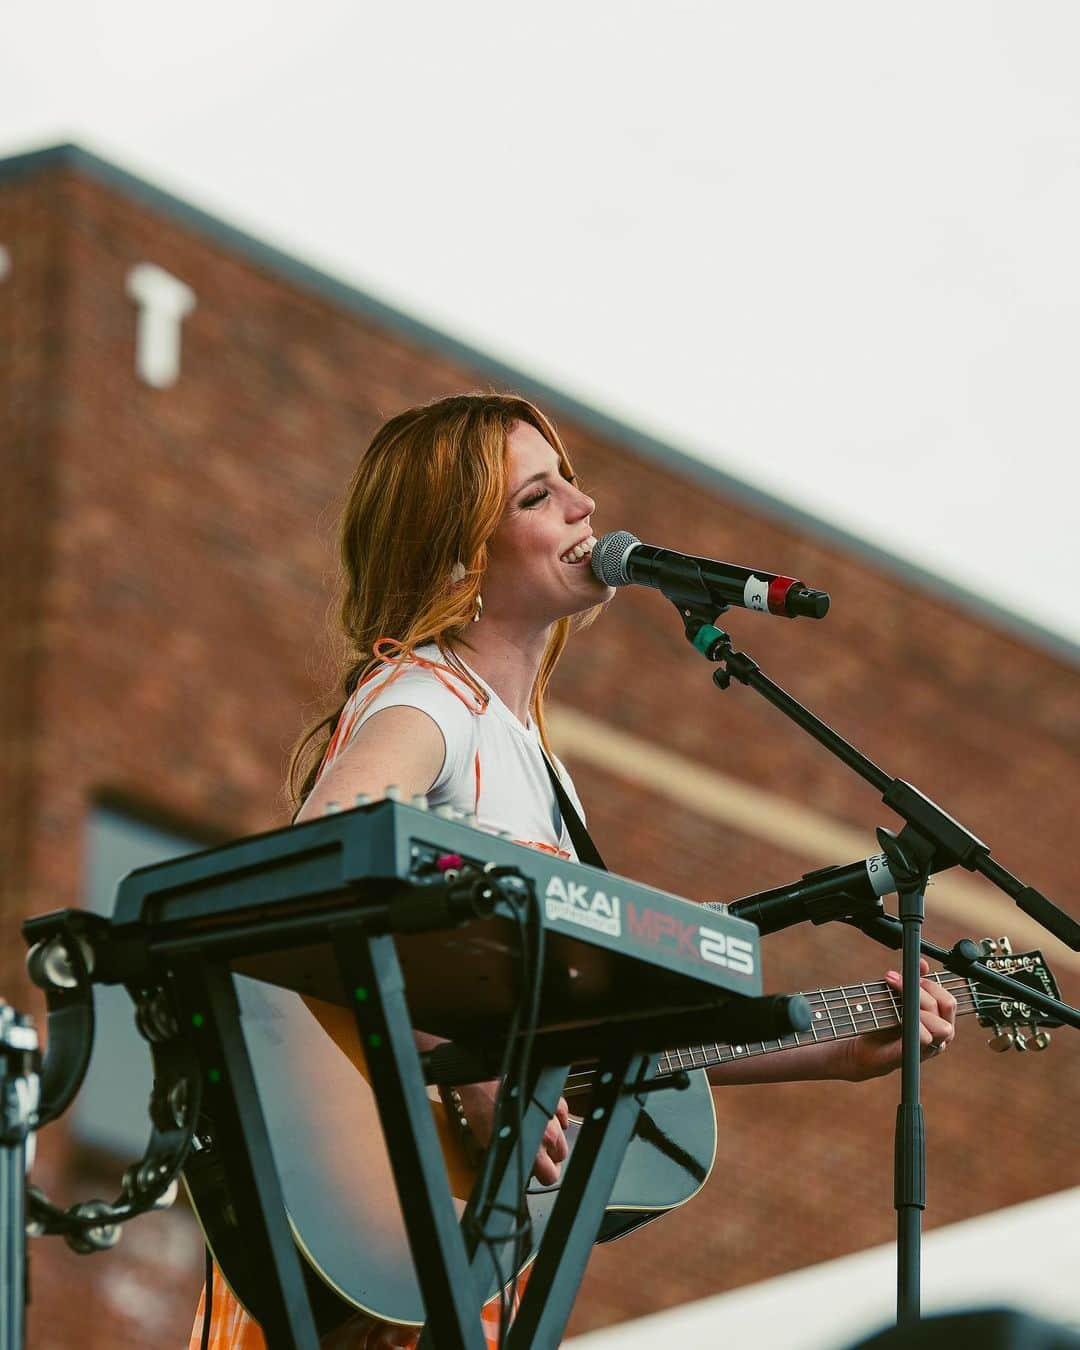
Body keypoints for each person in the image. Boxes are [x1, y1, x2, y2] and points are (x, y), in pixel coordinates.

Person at [190, 392, 957, 1349]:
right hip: (374, 1196)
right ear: (459, 552)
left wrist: (832, 1047)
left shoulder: (540, 771)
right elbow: (315, 863)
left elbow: (601, 1047)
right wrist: (457, 1055)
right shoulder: (431, 698)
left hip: (454, 1250)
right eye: (537, 496)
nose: (585, 508)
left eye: (573, 484)